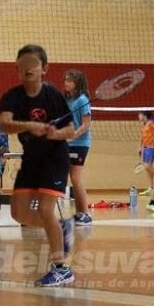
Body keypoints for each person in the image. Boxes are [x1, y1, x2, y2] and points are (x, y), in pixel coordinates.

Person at [0, 44, 75, 287]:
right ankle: (60, 229)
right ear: (17, 69)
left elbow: (70, 130)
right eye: (23, 65)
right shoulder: (13, 96)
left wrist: (55, 134)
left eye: (33, 64)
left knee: (44, 209)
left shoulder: (53, 96)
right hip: (31, 159)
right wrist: (30, 126)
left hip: (55, 157)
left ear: (44, 69)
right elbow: (4, 124)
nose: (28, 69)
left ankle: (61, 268)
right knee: (18, 213)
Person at [63, 69, 92, 226]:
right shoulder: (68, 100)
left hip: (80, 143)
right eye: (65, 80)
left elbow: (86, 124)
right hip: (68, 143)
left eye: (69, 80)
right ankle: (79, 213)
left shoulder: (82, 100)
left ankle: (85, 213)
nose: (65, 83)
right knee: (70, 177)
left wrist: (73, 135)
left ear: (77, 83)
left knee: (75, 177)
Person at [137, 111, 154, 196]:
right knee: (147, 168)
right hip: (146, 147)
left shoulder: (151, 122)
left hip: (151, 147)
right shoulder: (144, 125)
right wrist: (139, 146)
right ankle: (150, 188)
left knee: (147, 166)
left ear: (145, 116)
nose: (138, 116)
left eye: (140, 115)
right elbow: (142, 137)